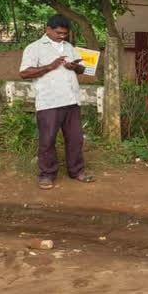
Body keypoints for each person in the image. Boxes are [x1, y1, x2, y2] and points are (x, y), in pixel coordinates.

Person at [19, 14, 94, 189]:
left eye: (65, 34)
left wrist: (74, 67)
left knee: (75, 139)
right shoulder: (34, 48)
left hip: (72, 101)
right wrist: (49, 66)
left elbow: (82, 69)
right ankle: (47, 175)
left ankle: (77, 171)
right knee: (47, 140)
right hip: (49, 102)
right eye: (59, 33)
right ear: (48, 29)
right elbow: (24, 73)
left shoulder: (69, 47)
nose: (62, 36)